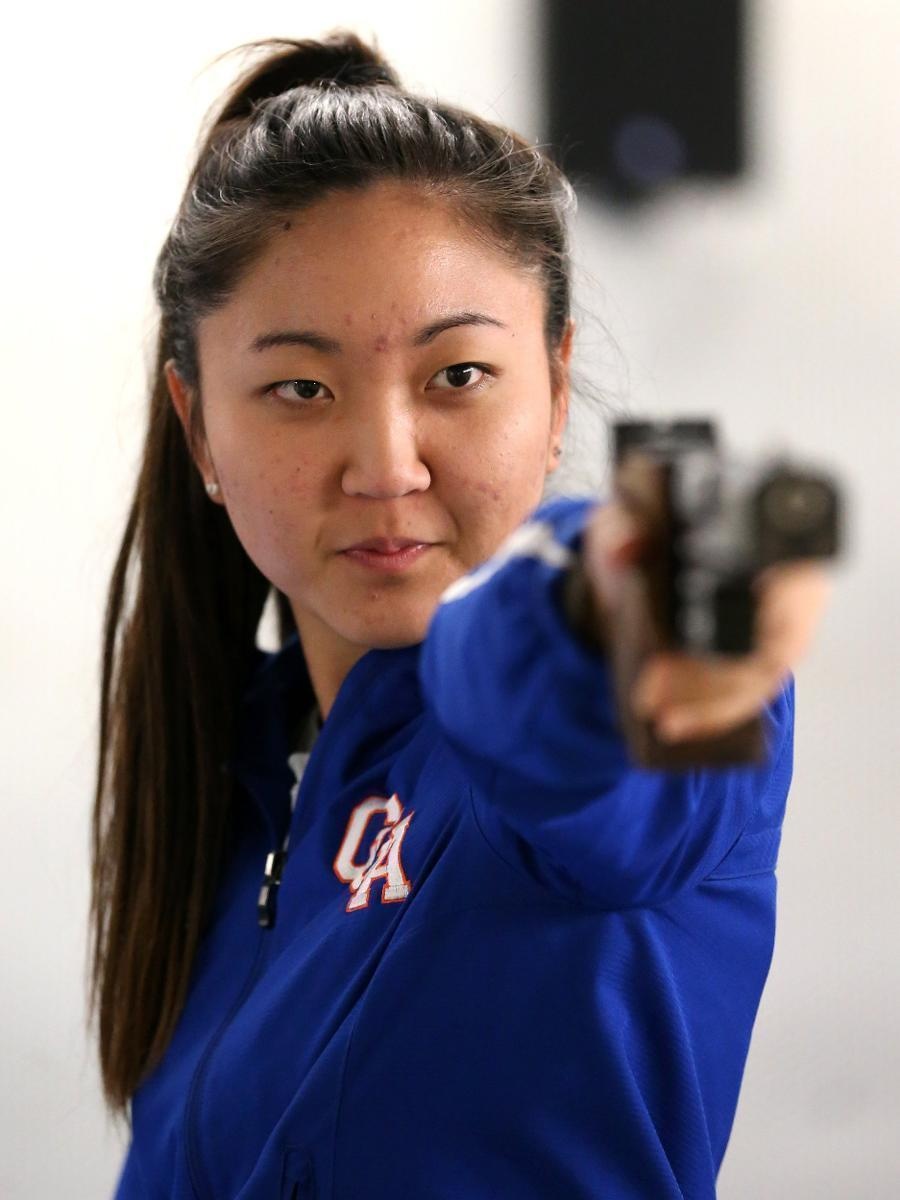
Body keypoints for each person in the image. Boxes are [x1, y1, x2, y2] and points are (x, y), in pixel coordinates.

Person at [90, 31, 831, 1200]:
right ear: (200, 429)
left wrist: (592, 597)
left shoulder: (629, 662)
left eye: (459, 377)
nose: (387, 467)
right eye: (301, 388)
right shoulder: (232, 787)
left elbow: (629, 709)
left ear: (552, 384)